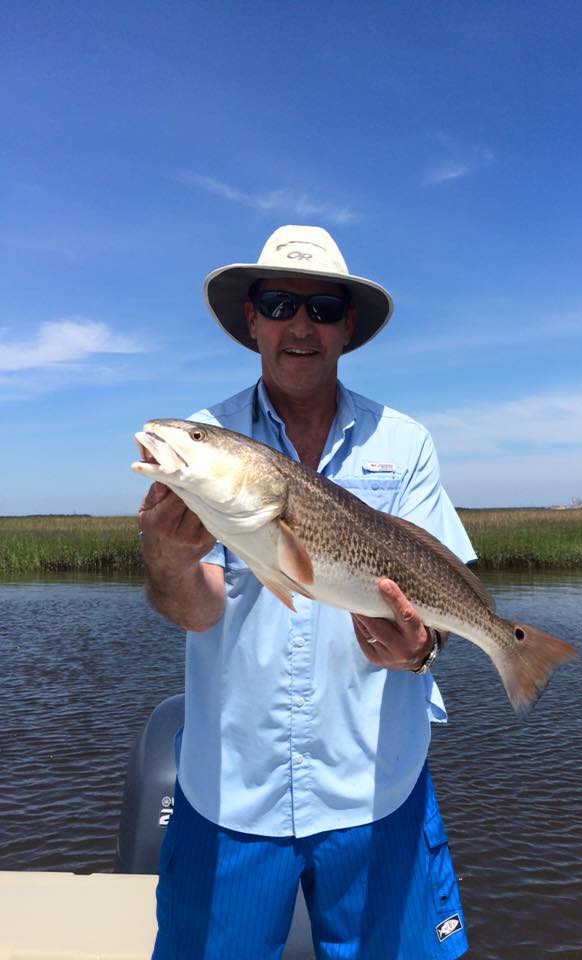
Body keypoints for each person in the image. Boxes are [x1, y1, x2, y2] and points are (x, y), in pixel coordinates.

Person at [138, 225, 476, 960]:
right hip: (232, 791)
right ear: (252, 319)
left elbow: (435, 606)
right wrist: (166, 560)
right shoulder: (208, 436)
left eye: (322, 308)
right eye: (280, 302)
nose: (301, 325)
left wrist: (420, 650)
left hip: (377, 788)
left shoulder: (405, 442)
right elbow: (198, 608)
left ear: (347, 327)